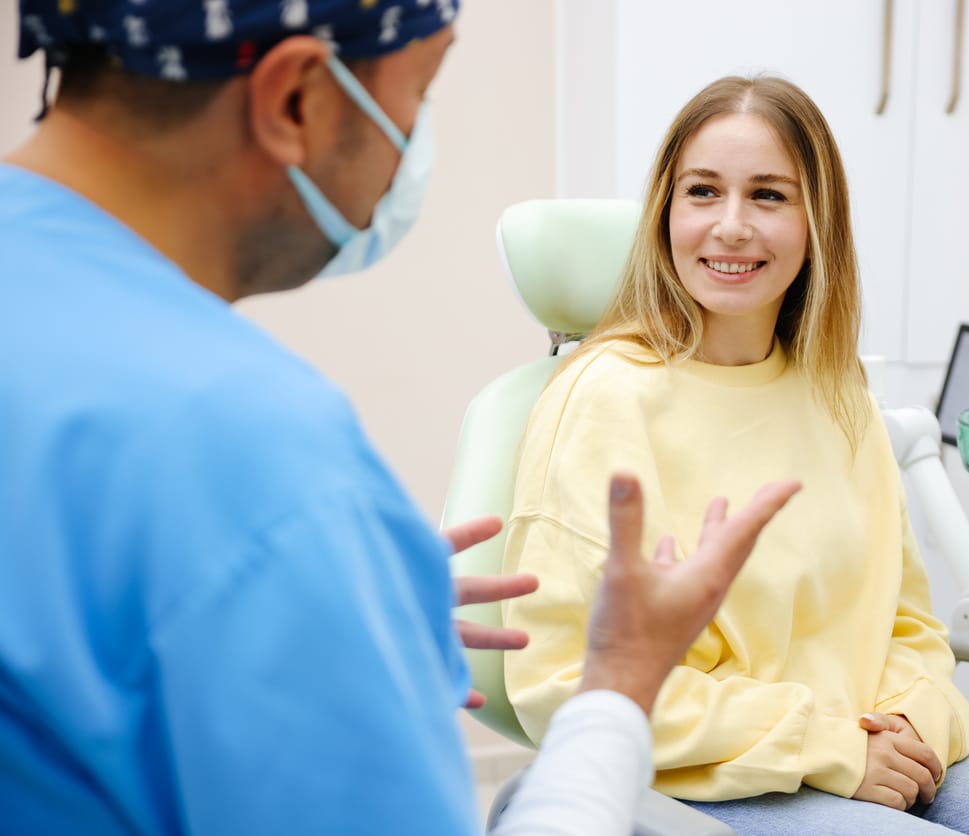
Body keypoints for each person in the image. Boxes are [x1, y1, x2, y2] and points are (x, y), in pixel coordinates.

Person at [0, 4, 802, 834]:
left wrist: (311, 605)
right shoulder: (253, 457)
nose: (411, 144)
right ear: (296, 100)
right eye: (420, 90)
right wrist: (621, 680)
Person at [500, 75, 969, 835]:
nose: (730, 225)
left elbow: (906, 625)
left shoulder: (837, 395)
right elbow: (565, 680)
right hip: (711, 780)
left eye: (768, 195)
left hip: (875, 752)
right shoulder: (604, 398)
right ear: (665, 213)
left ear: (817, 222)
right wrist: (829, 745)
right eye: (701, 192)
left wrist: (912, 723)